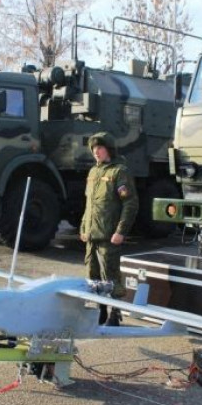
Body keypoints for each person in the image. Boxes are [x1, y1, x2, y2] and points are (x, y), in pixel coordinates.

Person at [80, 132, 139, 326]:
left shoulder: (119, 172)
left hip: (109, 235)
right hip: (92, 234)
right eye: (93, 148)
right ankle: (101, 310)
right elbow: (89, 204)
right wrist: (83, 227)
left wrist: (121, 231)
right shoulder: (93, 173)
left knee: (111, 276)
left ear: (109, 150)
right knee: (93, 276)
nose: (96, 152)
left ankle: (115, 312)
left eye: (100, 147)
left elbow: (130, 204)